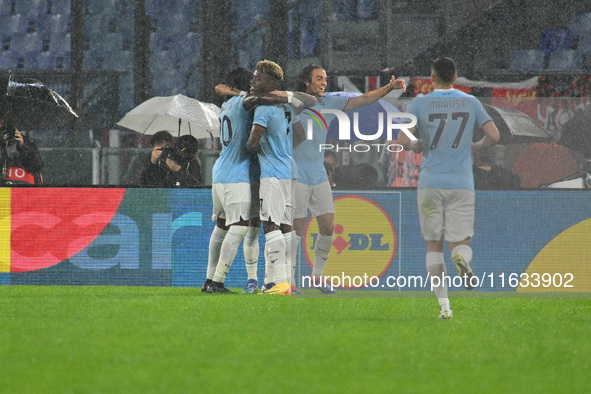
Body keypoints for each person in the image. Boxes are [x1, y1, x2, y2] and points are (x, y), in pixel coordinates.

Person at [398, 57, 500, 319]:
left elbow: (402, 138)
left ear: (431, 77)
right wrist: (477, 147)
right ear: (456, 77)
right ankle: (461, 257)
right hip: (462, 183)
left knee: (434, 245)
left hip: (431, 183)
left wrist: (416, 144)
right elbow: (494, 136)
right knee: (460, 242)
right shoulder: (471, 102)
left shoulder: (419, 102)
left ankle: (445, 306)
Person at [293, 64, 406, 293]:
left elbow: (365, 99)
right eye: (318, 78)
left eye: (325, 78)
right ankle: (289, 282)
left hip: (318, 176)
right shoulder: (292, 103)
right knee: (295, 230)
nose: (324, 82)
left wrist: (389, 88)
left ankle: (317, 277)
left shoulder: (329, 103)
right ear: (306, 82)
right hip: (296, 176)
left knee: (328, 227)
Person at [204, 66, 304, 294]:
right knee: (249, 227)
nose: (253, 82)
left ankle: (211, 279)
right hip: (241, 174)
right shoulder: (250, 103)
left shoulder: (225, 105)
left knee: (222, 227)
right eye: (251, 79)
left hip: (220, 171)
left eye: (256, 78)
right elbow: (253, 141)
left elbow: (223, 91)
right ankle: (222, 282)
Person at [247, 60, 293, 295]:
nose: (253, 81)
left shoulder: (263, 108)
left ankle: (282, 284)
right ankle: (271, 282)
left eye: (258, 77)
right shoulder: (286, 107)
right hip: (287, 171)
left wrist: (245, 147)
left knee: (270, 225)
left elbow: (253, 143)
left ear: (271, 82)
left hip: (272, 174)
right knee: (283, 227)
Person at [0, 117, 44, 186]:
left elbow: (36, 166)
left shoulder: (23, 141)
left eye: (1, 120)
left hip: (24, 193)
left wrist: (23, 146)